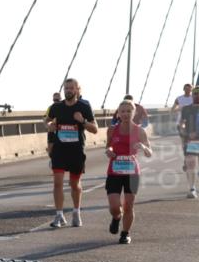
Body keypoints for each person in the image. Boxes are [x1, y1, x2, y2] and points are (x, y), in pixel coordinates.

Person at [46, 78, 98, 227]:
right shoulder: (56, 107)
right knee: (57, 183)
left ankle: (76, 212)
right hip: (59, 150)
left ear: (77, 90)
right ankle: (59, 215)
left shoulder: (84, 106)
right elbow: (47, 120)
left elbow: (94, 129)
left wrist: (82, 121)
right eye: (66, 88)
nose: (68, 91)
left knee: (75, 184)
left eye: (71, 88)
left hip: (76, 150)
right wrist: (49, 124)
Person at [105, 100, 153, 244]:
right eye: (123, 111)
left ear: (134, 113)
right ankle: (116, 218)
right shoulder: (112, 129)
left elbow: (149, 152)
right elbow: (109, 146)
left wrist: (143, 147)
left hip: (132, 172)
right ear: (118, 113)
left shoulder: (139, 131)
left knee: (128, 205)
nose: (125, 114)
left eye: (128, 111)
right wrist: (110, 151)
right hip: (114, 170)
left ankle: (125, 233)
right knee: (114, 207)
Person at [180, 86, 199, 199]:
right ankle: (192, 189)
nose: (197, 96)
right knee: (191, 163)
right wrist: (182, 129)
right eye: (195, 93)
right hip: (193, 140)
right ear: (192, 95)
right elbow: (182, 122)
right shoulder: (186, 109)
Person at [44, 91, 62, 156]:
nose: (55, 101)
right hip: (52, 131)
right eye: (54, 100)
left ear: (61, 99)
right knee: (50, 151)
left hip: (61, 130)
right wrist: (48, 125)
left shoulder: (64, 107)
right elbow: (46, 119)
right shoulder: (50, 108)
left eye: (57, 100)